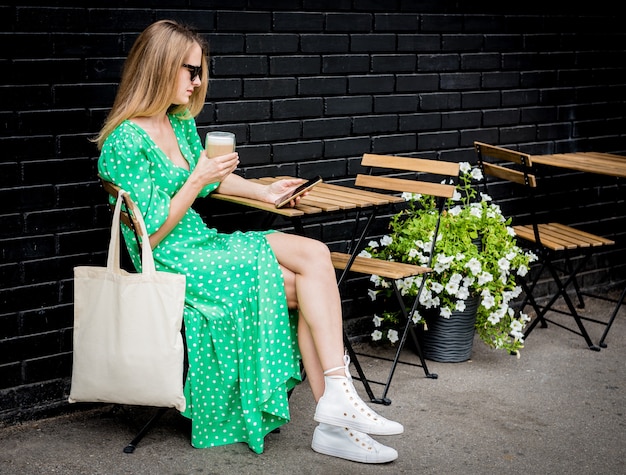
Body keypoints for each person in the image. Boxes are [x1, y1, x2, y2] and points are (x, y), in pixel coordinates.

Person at [95, 19, 403, 464]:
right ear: (159, 67)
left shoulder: (178, 123)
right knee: (303, 288)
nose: (198, 81)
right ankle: (335, 418)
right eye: (190, 70)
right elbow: (152, 231)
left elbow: (209, 186)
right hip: (169, 259)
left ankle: (337, 398)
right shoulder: (123, 142)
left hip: (202, 243)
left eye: (201, 71)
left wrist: (265, 191)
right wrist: (198, 177)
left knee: (314, 258)